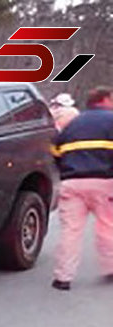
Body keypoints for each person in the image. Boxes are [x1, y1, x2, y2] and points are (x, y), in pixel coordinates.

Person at [49, 86, 113, 291]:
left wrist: (65, 172)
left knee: (71, 231)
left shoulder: (72, 124)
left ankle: (63, 278)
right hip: (104, 181)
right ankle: (111, 267)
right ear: (105, 100)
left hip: (72, 182)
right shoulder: (111, 120)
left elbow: (55, 151)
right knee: (107, 226)